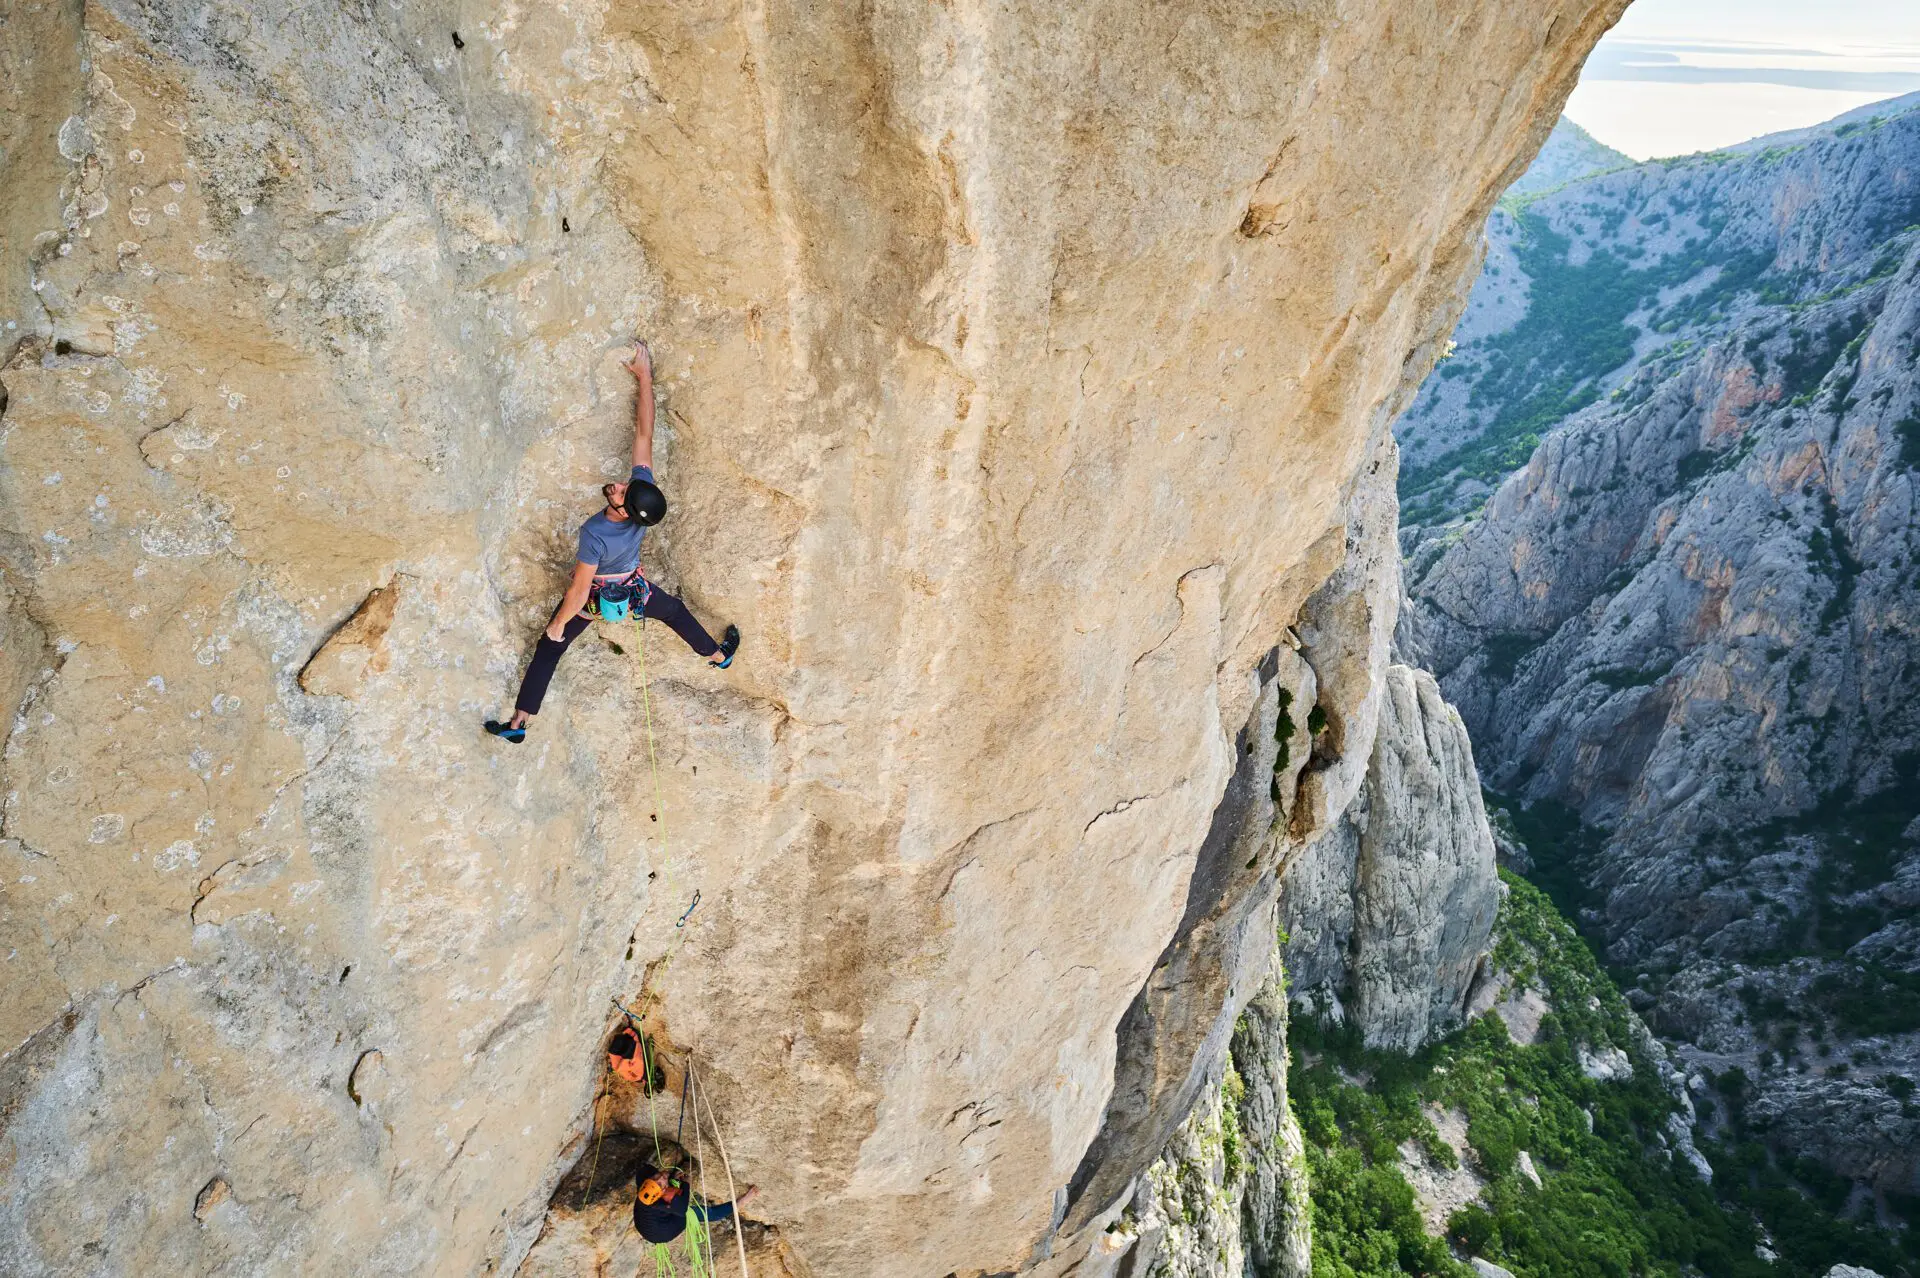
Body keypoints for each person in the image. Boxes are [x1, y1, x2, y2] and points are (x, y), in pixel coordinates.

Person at [486, 341, 739, 744]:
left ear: (624, 511)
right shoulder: (643, 494)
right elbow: (644, 430)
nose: (619, 485)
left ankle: (518, 725)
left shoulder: (595, 534)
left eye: (621, 493)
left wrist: (556, 625)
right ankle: (718, 656)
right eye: (626, 486)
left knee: (549, 648)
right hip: (635, 591)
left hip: (593, 599)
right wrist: (645, 377)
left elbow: (580, 589)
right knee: (673, 611)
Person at [632, 1159, 757, 1245]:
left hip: (644, 1224)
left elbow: (648, 1173)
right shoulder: (664, 1201)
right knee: (700, 1212)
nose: (661, 1177)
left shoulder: (644, 1178)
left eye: (655, 1178)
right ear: (663, 1192)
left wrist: (671, 1179)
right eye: (661, 1183)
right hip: (664, 1232)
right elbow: (682, 1208)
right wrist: (686, 1184)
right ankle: (740, 1203)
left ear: (646, 1182)